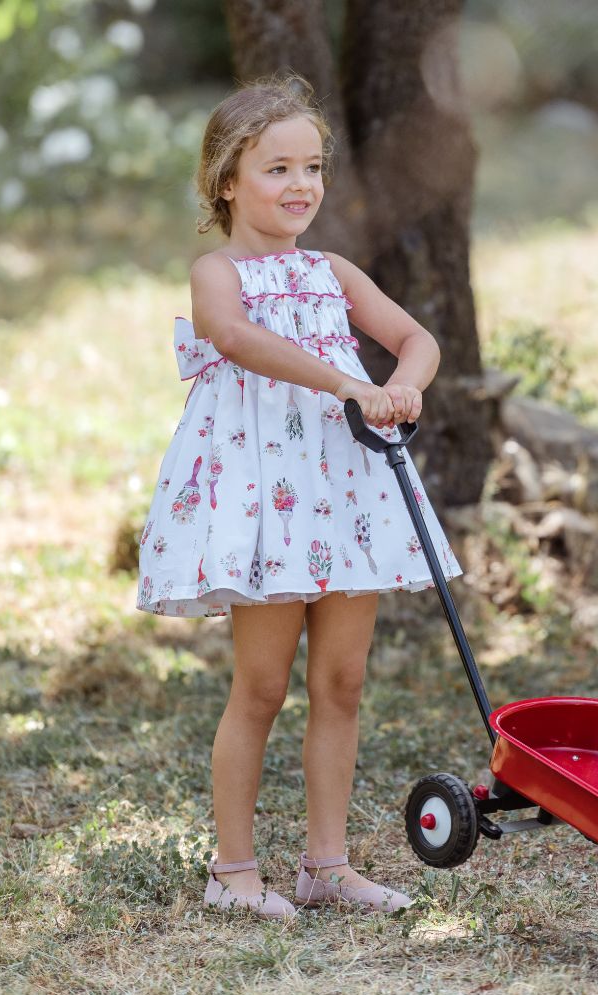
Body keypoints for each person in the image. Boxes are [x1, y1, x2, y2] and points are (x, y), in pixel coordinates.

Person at [136, 73, 462, 920]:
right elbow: (234, 337)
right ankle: (233, 871)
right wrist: (345, 383)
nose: (300, 185)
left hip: (342, 488)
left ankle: (328, 865)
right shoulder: (218, 272)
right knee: (261, 685)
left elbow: (415, 337)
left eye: (312, 167)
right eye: (277, 168)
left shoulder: (332, 270)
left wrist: (406, 382)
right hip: (265, 495)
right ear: (227, 181)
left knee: (343, 680)